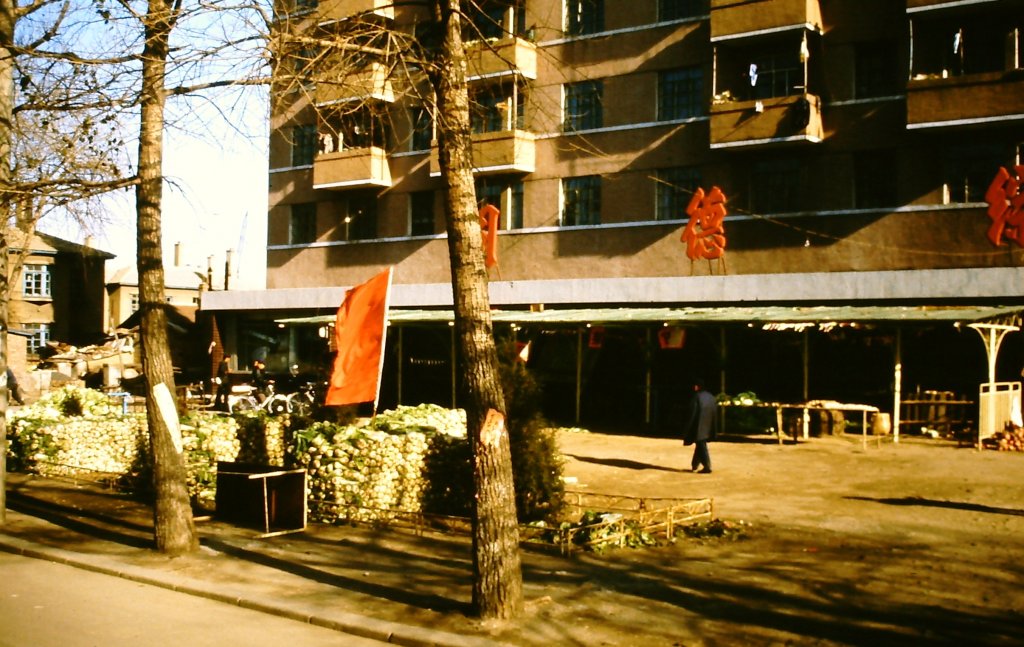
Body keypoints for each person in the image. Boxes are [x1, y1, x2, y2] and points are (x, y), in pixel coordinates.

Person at [683, 378, 718, 474]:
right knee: (700, 444)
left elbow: (692, 412)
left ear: (696, 387)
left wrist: (687, 427)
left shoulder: (697, 397)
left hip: (699, 425)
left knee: (701, 444)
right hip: (709, 425)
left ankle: (707, 466)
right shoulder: (711, 397)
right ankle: (694, 465)